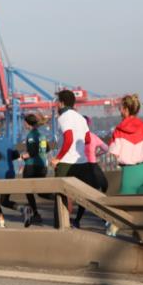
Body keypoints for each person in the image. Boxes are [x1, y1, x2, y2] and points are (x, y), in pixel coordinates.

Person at [50, 89, 93, 228]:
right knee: (83, 194)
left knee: (60, 195)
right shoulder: (80, 118)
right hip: (82, 162)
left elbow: (68, 139)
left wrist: (58, 158)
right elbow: (87, 139)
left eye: (57, 102)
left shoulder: (64, 117)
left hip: (66, 162)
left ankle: (61, 226)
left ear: (61, 103)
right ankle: (76, 222)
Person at [109, 94, 143, 196]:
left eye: (120, 108)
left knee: (123, 205)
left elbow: (115, 152)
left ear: (125, 110)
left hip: (130, 171)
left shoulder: (119, 130)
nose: (119, 110)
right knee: (142, 205)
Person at [72, 115, 109, 228]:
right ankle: (104, 219)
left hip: (81, 167)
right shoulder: (93, 136)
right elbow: (106, 148)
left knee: (85, 196)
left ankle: (77, 221)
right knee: (100, 190)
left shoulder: (76, 138)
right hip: (93, 166)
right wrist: (97, 154)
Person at [20, 113, 48, 227]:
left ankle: (35, 214)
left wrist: (23, 156)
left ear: (27, 123)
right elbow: (47, 148)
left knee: (28, 189)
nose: (23, 124)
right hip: (42, 166)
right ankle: (56, 198)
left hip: (32, 166)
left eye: (24, 122)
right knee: (41, 191)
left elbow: (32, 152)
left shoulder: (31, 135)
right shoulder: (42, 134)